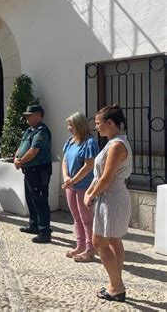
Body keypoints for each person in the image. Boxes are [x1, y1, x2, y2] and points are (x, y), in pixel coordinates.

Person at [84, 105, 132, 302]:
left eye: (98, 123)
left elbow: (106, 178)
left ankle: (117, 287)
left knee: (99, 242)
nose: (97, 127)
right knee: (113, 240)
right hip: (111, 196)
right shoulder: (114, 142)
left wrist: (90, 195)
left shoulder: (116, 145)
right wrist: (91, 190)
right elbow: (102, 176)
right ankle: (116, 282)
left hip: (111, 198)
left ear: (110, 123)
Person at [61, 112, 99, 262]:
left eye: (71, 125)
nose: (69, 128)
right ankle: (80, 245)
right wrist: (66, 178)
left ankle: (90, 249)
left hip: (84, 185)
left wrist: (74, 180)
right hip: (71, 185)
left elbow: (89, 165)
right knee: (76, 217)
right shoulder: (70, 141)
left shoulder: (90, 142)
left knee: (86, 218)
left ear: (79, 125)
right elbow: (65, 160)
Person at [14, 105, 52, 244]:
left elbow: (33, 151)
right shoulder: (30, 130)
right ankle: (34, 225)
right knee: (31, 199)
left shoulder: (42, 131)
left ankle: (44, 231)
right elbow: (22, 146)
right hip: (29, 170)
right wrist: (16, 158)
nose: (27, 118)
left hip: (39, 170)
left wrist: (21, 162)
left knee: (40, 201)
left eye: (29, 115)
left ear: (38, 115)